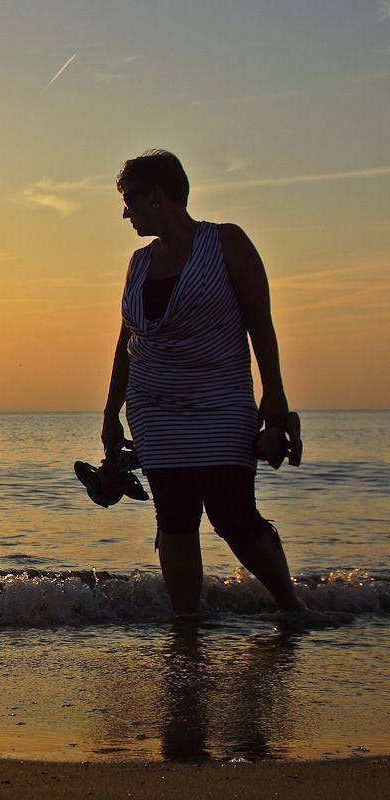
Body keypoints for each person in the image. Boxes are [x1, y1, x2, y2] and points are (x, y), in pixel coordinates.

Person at [100, 149, 305, 616]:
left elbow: (260, 324)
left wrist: (274, 399)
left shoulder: (226, 243)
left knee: (233, 515)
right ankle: (186, 623)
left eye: (129, 199)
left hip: (220, 401)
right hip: (153, 407)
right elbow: (126, 342)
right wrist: (111, 413)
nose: (125, 211)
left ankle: (291, 605)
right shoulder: (138, 262)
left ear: (157, 195)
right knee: (174, 517)